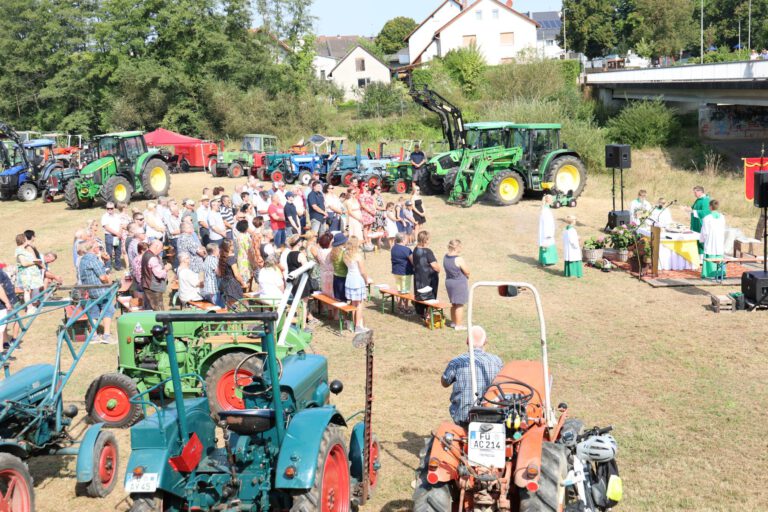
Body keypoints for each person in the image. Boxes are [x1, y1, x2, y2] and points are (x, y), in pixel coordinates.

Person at [441, 326, 503, 426]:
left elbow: (444, 382)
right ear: (485, 341)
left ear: (467, 341)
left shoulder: (457, 362)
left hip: (463, 417)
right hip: (492, 415)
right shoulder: (497, 361)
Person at [77, 241, 116, 343]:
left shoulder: (82, 260)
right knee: (109, 309)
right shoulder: (93, 259)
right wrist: (110, 281)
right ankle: (106, 335)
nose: (99, 248)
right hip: (101, 290)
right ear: (92, 248)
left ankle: (93, 336)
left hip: (90, 290)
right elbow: (102, 277)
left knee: (93, 312)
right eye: (97, 247)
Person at [343, 237, 369, 332]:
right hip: (357, 280)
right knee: (359, 304)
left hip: (349, 279)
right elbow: (362, 271)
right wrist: (366, 279)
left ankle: (355, 324)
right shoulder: (358, 256)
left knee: (354, 304)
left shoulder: (345, 254)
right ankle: (358, 326)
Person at [413, 230, 441, 319]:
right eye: (428, 239)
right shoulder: (427, 251)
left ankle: (421, 313)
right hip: (428, 278)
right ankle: (428, 314)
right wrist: (438, 269)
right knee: (430, 295)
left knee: (420, 294)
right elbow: (435, 266)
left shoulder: (415, 249)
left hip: (418, 277)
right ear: (425, 240)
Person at [444, 240, 470, 330]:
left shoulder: (445, 257)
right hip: (458, 284)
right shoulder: (459, 259)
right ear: (456, 247)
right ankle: (458, 325)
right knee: (459, 305)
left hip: (449, 282)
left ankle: (453, 322)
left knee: (453, 304)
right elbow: (467, 271)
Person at [700, 199, 727, 280]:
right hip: (719, 239)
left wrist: (702, 239)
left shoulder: (707, 218)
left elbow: (704, 231)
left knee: (710, 252)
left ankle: (709, 273)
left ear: (710, 207)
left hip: (710, 239)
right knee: (718, 254)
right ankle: (720, 273)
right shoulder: (722, 217)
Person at [141, 239, 170, 310]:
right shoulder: (152, 258)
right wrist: (166, 268)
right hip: (153, 288)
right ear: (156, 247)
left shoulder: (146, 253)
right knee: (158, 310)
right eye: (160, 249)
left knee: (150, 308)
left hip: (148, 285)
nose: (161, 251)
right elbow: (159, 274)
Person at [15, 234, 43, 306]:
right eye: (26, 239)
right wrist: (35, 262)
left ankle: (34, 304)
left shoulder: (24, 249)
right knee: (27, 291)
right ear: (23, 240)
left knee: (33, 289)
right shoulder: (19, 251)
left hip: (31, 273)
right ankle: (29, 306)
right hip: (26, 274)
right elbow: (23, 263)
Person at [683, 185, 711, 254]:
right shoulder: (698, 200)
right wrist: (687, 209)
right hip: (695, 223)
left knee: (700, 241)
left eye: (695, 192)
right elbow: (693, 209)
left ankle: (701, 258)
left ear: (700, 192)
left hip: (700, 224)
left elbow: (705, 212)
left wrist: (693, 211)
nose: (694, 194)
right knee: (695, 241)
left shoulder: (705, 200)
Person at [217, 239, 245, 308]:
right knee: (236, 305)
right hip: (232, 284)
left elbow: (219, 274)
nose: (234, 246)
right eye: (232, 245)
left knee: (229, 305)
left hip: (224, 283)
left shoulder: (221, 257)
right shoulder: (231, 259)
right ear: (228, 247)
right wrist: (243, 283)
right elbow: (236, 274)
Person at [390, 233, 414, 313]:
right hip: (405, 272)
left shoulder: (393, 248)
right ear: (403, 240)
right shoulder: (407, 250)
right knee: (406, 291)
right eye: (406, 238)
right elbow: (413, 261)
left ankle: (400, 305)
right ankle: (406, 307)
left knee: (400, 290)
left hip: (396, 272)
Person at [0, 262, 20, 350]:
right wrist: (7, 302)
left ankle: (5, 343)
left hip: (10, 299)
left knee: (3, 325)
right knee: (2, 326)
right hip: (5, 302)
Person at [102, 202, 124, 270]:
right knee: (109, 253)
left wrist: (120, 233)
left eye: (111, 208)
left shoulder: (117, 216)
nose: (109, 210)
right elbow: (107, 227)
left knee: (117, 251)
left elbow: (120, 225)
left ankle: (118, 266)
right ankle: (108, 267)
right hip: (109, 236)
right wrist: (117, 234)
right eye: (108, 208)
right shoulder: (104, 216)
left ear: (114, 208)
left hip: (116, 237)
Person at [538, 195, 558, 266]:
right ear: (548, 200)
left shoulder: (546, 209)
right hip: (547, 232)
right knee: (546, 245)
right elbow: (546, 223)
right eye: (551, 199)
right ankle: (545, 261)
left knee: (549, 245)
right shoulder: (545, 210)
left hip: (548, 231)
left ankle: (549, 261)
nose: (552, 200)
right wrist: (548, 234)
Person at [330, 233, 348, 302]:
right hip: (343, 277)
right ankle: (344, 313)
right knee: (343, 300)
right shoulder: (343, 253)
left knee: (338, 299)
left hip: (336, 277)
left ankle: (338, 313)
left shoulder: (333, 252)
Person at [317, 232, 335, 297]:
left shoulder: (319, 251)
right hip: (331, 274)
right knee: (332, 293)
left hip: (323, 273)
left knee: (326, 293)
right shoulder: (331, 251)